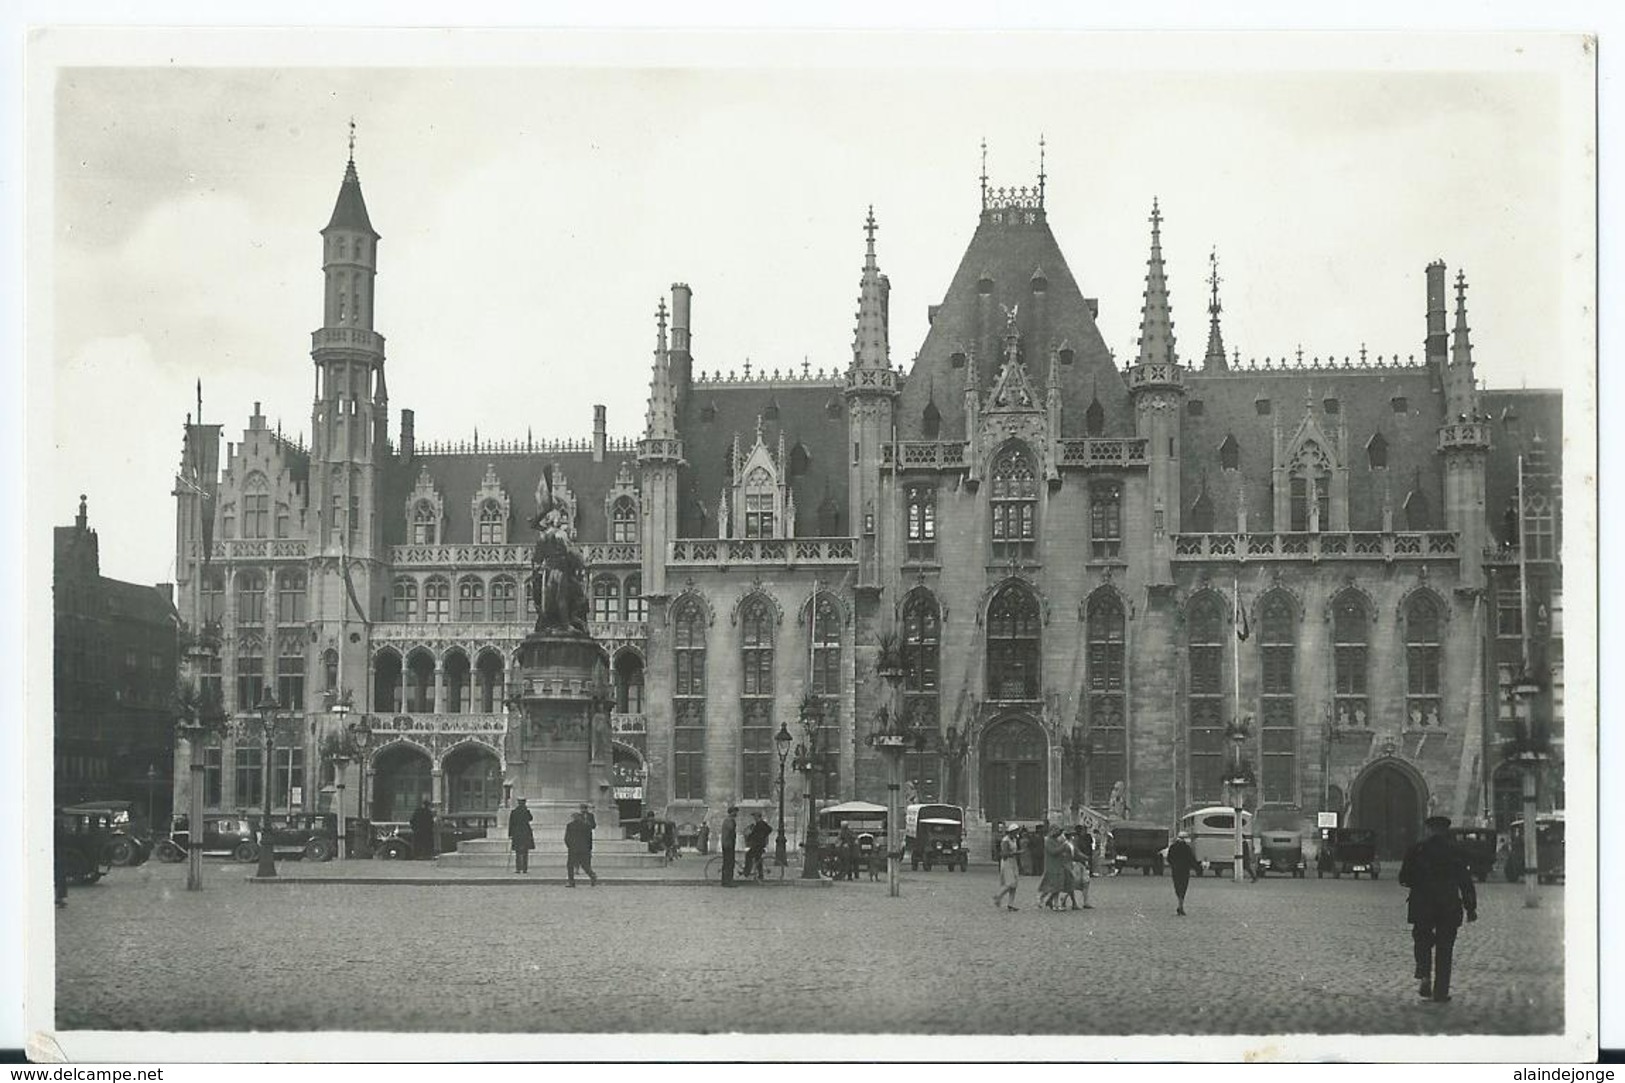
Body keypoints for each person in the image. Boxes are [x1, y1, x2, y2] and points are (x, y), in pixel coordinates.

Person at [1399, 814, 1478, 1003]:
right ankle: (1441, 991)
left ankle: (1424, 974)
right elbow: (1465, 881)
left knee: (1422, 941)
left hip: (1422, 904)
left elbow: (1404, 878)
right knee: (1445, 948)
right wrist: (1471, 908)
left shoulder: (1417, 850)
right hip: (1448, 904)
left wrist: (1418, 883)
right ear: (1446, 830)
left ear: (1428, 829)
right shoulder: (1455, 851)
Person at [1167, 830, 1200, 916]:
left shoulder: (1173, 847)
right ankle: (1181, 904)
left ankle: (1180, 903)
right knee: (1183, 886)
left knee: (1177, 886)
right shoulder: (1187, 848)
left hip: (1175, 870)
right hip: (1185, 870)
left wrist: (1173, 865)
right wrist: (1197, 868)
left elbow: (1169, 858)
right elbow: (1191, 859)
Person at [565, 810, 598, 887]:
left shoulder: (570, 825)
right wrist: (589, 848)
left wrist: (569, 846)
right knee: (585, 865)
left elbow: (567, 838)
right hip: (584, 849)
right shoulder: (586, 826)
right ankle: (592, 876)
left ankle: (571, 881)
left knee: (570, 865)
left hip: (573, 848)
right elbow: (589, 838)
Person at [992, 825, 1021, 911]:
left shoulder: (1014, 839)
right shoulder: (1005, 840)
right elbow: (1004, 853)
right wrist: (1016, 853)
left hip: (1013, 862)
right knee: (1010, 883)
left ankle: (1010, 904)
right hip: (1007, 862)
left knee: (1014, 884)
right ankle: (998, 896)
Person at [1039, 826, 1068, 909]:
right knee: (1051, 886)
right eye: (1057, 831)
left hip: (1058, 865)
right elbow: (1053, 852)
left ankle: (1055, 903)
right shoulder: (1048, 841)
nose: (1058, 833)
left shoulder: (1057, 840)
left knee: (1057, 886)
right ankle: (1042, 898)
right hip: (1051, 866)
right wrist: (1064, 846)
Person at [508, 798, 534, 875]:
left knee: (518, 852)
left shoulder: (514, 812)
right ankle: (525, 869)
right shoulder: (526, 811)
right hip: (525, 834)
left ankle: (518, 868)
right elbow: (530, 818)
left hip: (516, 834)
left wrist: (510, 834)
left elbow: (511, 824)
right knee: (525, 852)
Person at [743, 811, 771, 881]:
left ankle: (747, 872)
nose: (754, 818)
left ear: (758, 817)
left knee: (748, 855)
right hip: (758, 844)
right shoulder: (758, 824)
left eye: (755, 816)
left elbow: (755, 834)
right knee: (758, 859)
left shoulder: (760, 824)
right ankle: (760, 875)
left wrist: (762, 836)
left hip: (758, 845)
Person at [720, 807, 738, 887]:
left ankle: (725, 881)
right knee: (729, 863)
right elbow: (731, 829)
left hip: (727, 844)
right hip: (728, 844)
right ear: (731, 812)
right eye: (735, 812)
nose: (736, 813)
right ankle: (728, 881)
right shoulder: (729, 820)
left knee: (727, 863)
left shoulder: (727, 820)